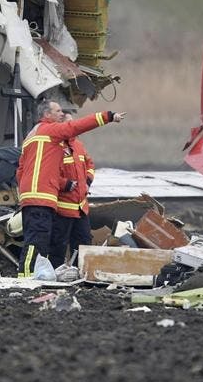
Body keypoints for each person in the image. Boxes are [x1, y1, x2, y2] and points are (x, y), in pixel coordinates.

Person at [16, 101, 125, 277]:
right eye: (58, 111)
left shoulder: (32, 136)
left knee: (40, 240)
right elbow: (76, 126)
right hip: (43, 197)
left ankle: (34, 275)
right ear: (47, 114)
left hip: (39, 197)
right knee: (38, 241)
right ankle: (26, 276)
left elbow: (21, 171)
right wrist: (107, 116)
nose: (61, 114)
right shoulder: (50, 130)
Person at [48, 113, 94, 268]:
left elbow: (90, 165)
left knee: (84, 242)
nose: (74, 128)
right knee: (58, 245)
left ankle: (79, 273)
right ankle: (55, 273)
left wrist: (87, 181)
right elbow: (49, 174)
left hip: (81, 208)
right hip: (63, 209)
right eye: (70, 125)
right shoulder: (55, 147)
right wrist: (65, 184)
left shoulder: (78, 146)